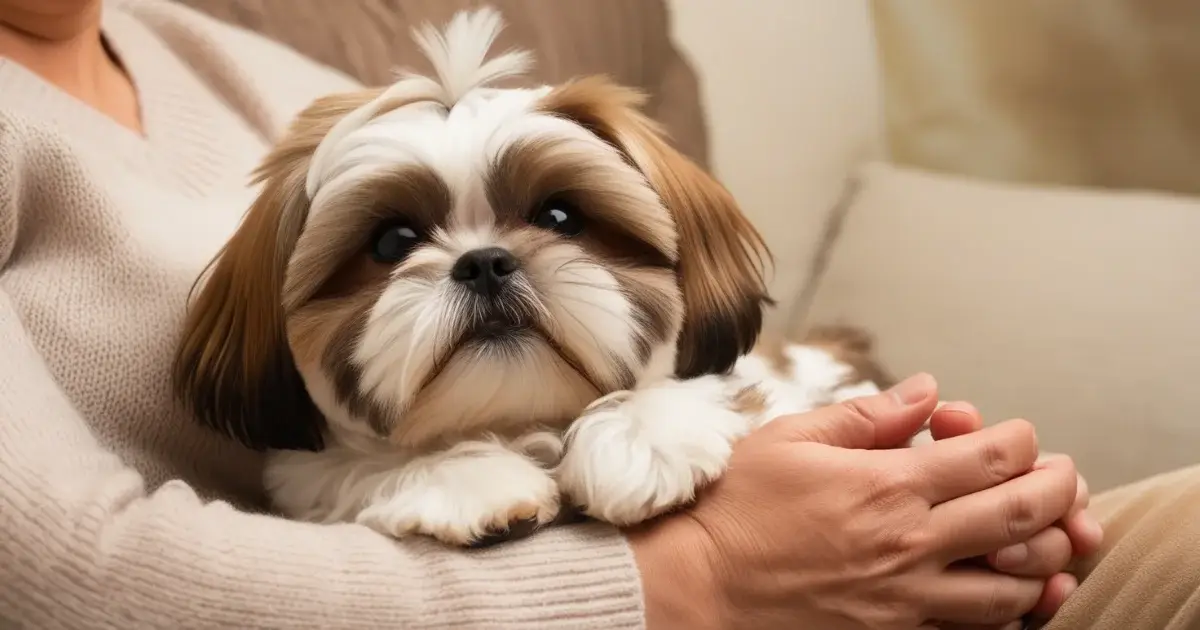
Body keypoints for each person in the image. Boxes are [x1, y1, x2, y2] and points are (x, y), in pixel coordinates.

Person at [0, 1, 1195, 628]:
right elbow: (67, 583)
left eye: (555, 225)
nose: (480, 270)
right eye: (399, 243)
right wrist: (701, 579)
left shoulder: (216, 60)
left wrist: (941, 511)